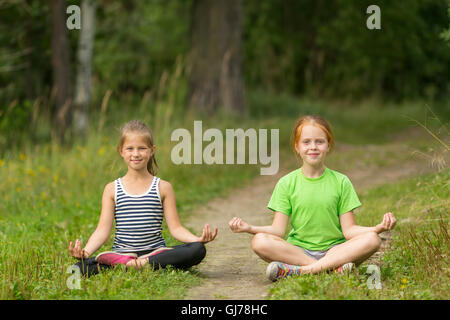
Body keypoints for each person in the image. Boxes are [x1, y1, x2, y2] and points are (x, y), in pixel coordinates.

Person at [229, 115, 396, 281]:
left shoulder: (341, 182)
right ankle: (330, 269)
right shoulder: (286, 183)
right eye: (306, 142)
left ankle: (301, 271)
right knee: (259, 241)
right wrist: (249, 227)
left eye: (320, 142)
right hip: (299, 251)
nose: (313, 147)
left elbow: (349, 230)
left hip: (335, 250)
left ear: (328, 145)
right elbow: (278, 230)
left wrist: (378, 228)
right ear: (297, 147)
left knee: (373, 240)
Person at [69, 120, 217, 276]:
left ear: (152, 150)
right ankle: (130, 263)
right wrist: (85, 252)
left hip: (156, 253)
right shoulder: (112, 189)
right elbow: (102, 231)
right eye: (130, 148)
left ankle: (141, 263)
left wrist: (197, 239)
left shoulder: (163, 187)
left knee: (197, 249)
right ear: (121, 151)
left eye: (142, 148)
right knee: (78, 269)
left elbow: (176, 228)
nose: (136, 153)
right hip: (122, 254)